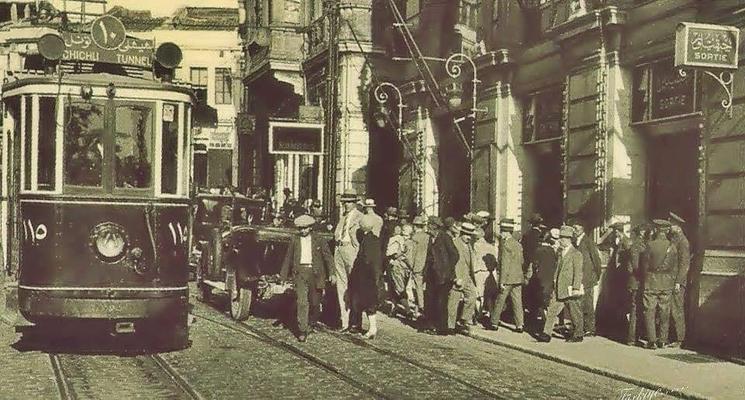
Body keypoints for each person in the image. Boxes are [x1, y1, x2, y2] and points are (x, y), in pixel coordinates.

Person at [280, 215, 335, 342]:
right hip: (300, 273)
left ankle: (311, 322)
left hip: (316, 274)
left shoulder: (319, 239)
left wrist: (332, 273)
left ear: (310, 227)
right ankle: (302, 330)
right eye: (300, 228)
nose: (303, 231)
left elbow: (328, 257)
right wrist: (283, 275)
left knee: (315, 302)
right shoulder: (295, 240)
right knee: (302, 302)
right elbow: (288, 258)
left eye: (305, 228)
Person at [537, 225, 584, 343]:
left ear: (569, 240)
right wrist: (554, 281)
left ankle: (578, 334)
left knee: (575, 313)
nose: (560, 240)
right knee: (552, 311)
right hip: (559, 288)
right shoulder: (560, 252)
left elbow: (578, 272)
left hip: (570, 289)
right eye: (560, 238)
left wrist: (576, 287)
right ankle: (546, 334)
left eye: (562, 238)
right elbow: (558, 269)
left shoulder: (576, 254)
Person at [642, 219, 679, 350]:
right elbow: (674, 267)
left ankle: (652, 341)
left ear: (656, 230)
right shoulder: (672, 247)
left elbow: (644, 265)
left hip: (651, 282)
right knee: (665, 312)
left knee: (650, 312)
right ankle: (663, 340)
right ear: (666, 231)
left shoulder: (650, 245)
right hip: (666, 283)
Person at [348, 214, 384, 339]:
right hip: (371, 275)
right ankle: (372, 328)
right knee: (369, 302)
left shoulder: (367, 241)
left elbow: (367, 259)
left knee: (368, 303)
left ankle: (372, 328)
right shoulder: (374, 239)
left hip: (367, 276)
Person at [487, 218, 526, 332]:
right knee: (517, 302)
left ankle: (494, 323)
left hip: (507, 278)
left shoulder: (506, 245)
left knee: (500, 300)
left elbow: (504, 265)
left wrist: (502, 281)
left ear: (505, 232)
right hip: (518, 277)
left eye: (502, 231)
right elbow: (522, 261)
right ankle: (520, 325)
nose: (501, 234)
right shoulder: (518, 244)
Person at [333, 191, 363, 332]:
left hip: (351, 250)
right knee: (341, 286)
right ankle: (344, 321)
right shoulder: (343, 217)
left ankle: (355, 321)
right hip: (339, 250)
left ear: (355, 203)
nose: (346, 204)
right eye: (344, 202)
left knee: (355, 286)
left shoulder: (360, 217)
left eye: (349, 202)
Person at [447, 222, 478, 334]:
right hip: (457, 277)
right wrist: (455, 278)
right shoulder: (454, 243)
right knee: (453, 301)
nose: (468, 237)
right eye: (466, 235)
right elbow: (450, 263)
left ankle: (463, 320)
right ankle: (450, 326)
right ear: (461, 234)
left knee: (472, 296)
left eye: (470, 235)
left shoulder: (469, 245)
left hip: (467, 277)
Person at [573, 221, 602, 337]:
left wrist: (596, 275)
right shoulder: (575, 241)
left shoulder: (588, 242)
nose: (574, 231)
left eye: (576, 229)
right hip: (579, 277)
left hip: (588, 277)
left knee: (588, 304)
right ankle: (582, 327)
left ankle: (590, 328)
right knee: (580, 303)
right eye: (574, 229)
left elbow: (596, 260)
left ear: (582, 228)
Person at [668, 212, 690, 348]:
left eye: (671, 224)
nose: (669, 226)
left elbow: (684, 264)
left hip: (677, 282)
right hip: (671, 280)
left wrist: (678, 282)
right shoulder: (675, 240)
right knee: (672, 308)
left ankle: (679, 338)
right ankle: (673, 337)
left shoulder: (683, 242)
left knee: (677, 309)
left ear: (678, 226)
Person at [626, 223, 649, 346]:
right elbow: (635, 266)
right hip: (636, 282)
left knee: (638, 309)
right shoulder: (636, 245)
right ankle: (632, 338)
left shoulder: (642, 244)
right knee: (635, 310)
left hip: (639, 282)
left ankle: (636, 336)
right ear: (642, 232)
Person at [533, 229, 560, 333]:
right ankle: (552, 323)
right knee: (549, 301)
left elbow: (535, 265)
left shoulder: (539, 250)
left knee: (543, 302)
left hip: (541, 279)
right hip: (551, 278)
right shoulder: (553, 251)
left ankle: (547, 323)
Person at [408, 216, 430, 318]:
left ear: (415, 226)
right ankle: (418, 310)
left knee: (418, 288)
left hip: (417, 265)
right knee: (424, 288)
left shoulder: (414, 238)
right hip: (427, 266)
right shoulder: (428, 237)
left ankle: (421, 308)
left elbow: (411, 254)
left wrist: (410, 266)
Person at [471, 226, 494, 323]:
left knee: (478, 294)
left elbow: (473, 260)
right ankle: (491, 313)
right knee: (488, 294)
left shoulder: (475, 246)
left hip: (478, 272)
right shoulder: (491, 246)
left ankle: (479, 314)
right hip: (489, 272)